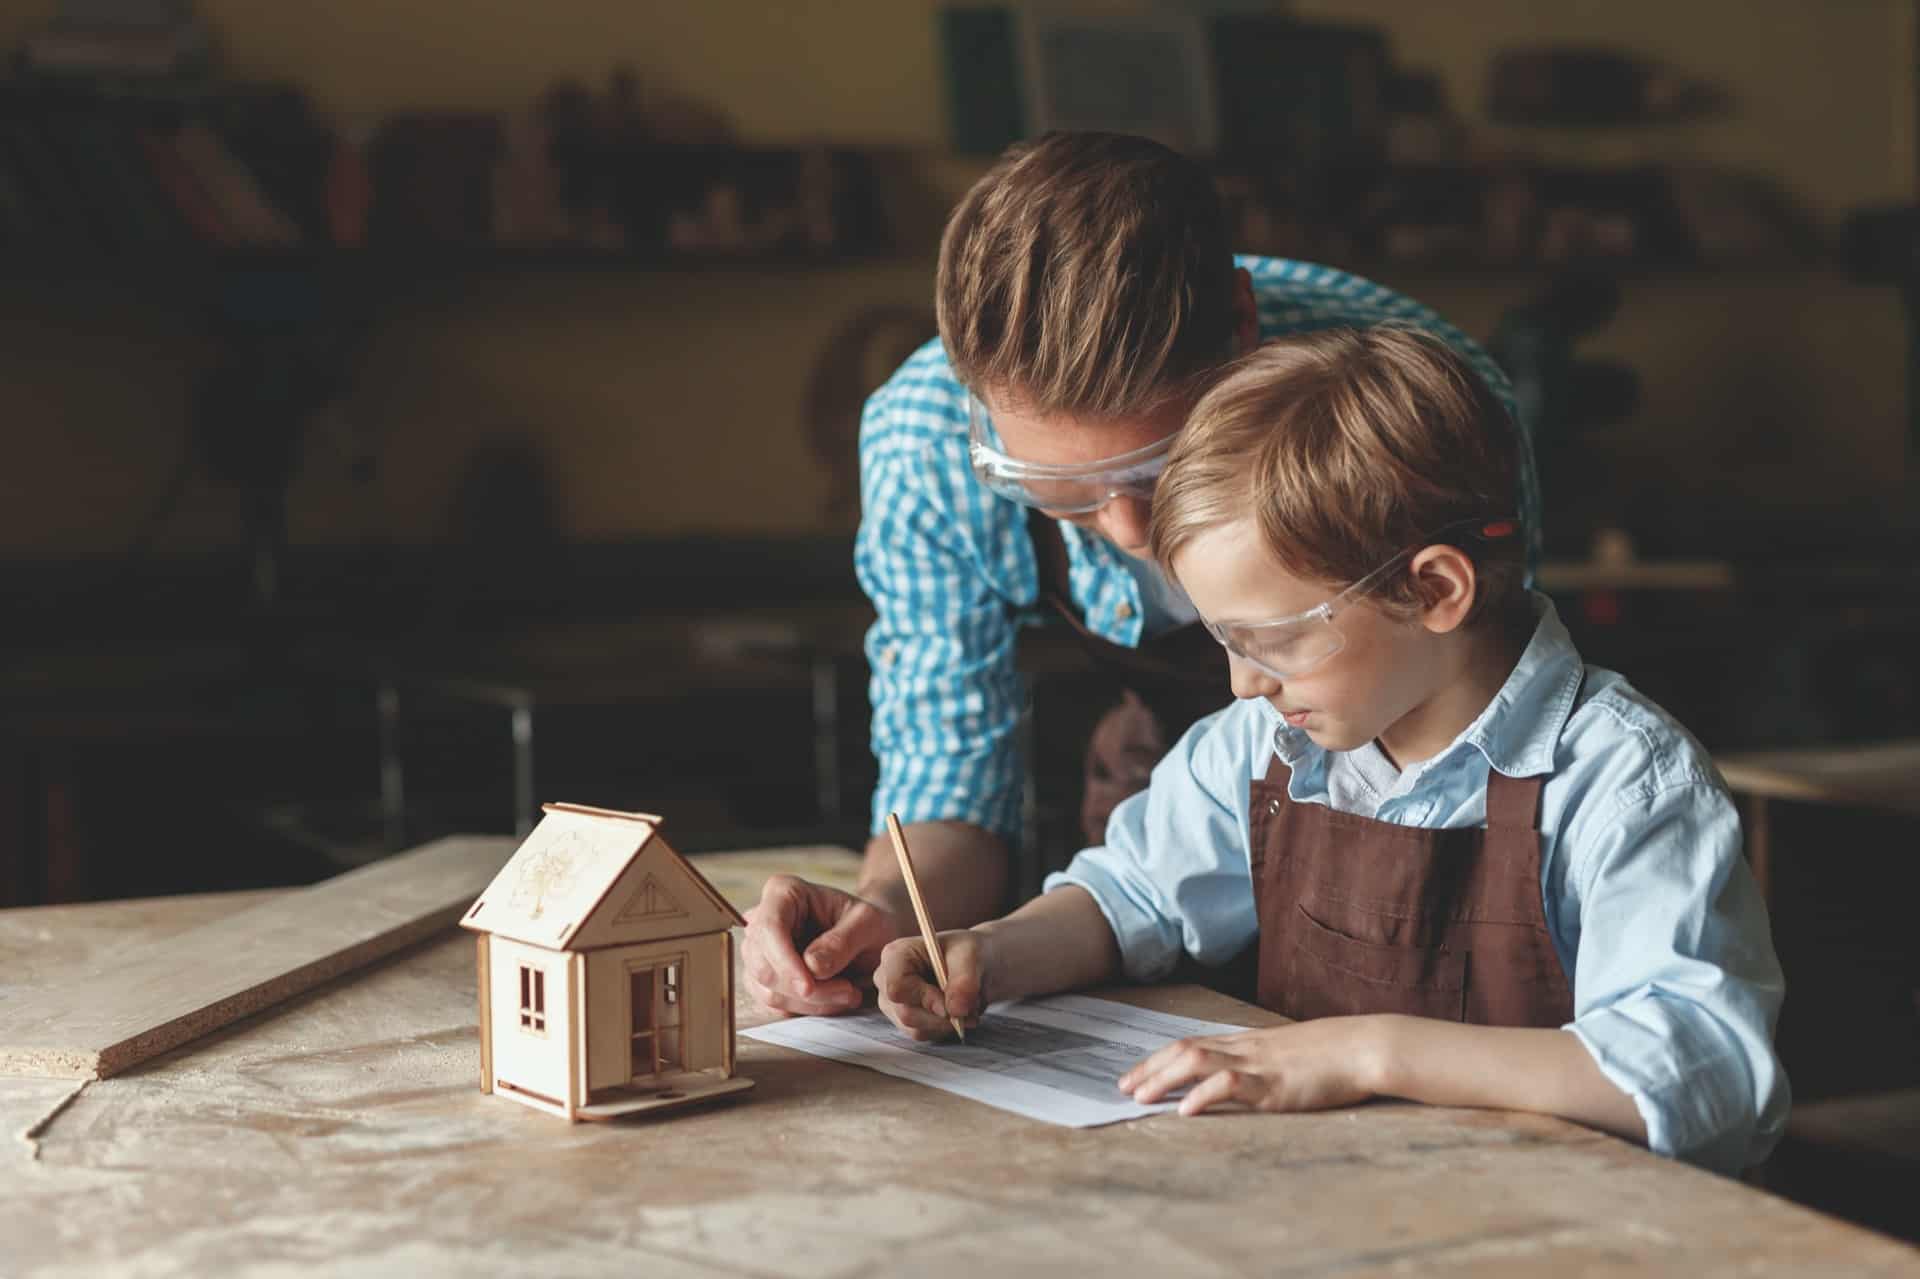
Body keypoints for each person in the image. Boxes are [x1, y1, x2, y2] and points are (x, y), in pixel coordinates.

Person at [873, 327, 1787, 1175]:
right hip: (1336, 1203)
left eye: (1270, 641)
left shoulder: (1621, 781)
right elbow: (1133, 897)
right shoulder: (1264, 745)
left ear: (1433, 589)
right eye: (1222, 640)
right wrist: (990, 954)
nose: (1240, 683)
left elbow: (1703, 1070)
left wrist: (1365, 1051)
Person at [741, 131, 1540, 1021]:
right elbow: (950, 777)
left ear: (1241, 327)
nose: (1127, 532)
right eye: (1066, 498)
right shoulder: (920, 444)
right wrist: (889, 917)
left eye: (1158, 470)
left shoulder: (1416, 402)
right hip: (1146, 832)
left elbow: (1472, 726)